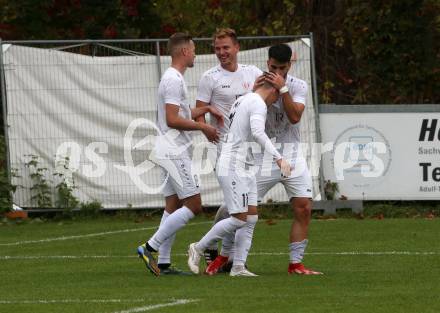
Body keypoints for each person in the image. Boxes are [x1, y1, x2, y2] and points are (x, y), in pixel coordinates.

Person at [208, 43, 323, 275]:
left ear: (290, 64)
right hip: (262, 156)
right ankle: (223, 256)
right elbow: (245, 112)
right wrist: (256, 92)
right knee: (241, 212)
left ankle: (295, 264)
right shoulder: (256, 82)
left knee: (304, 207)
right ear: (267, 62)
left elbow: (294, 117)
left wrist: (283, 90)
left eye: (282, 68)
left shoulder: (298, 85)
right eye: (273, 67)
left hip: (291, 154)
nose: (278, 73)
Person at [137, 33, 223, 276]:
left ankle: (163, 263)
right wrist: (203, 126)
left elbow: (181, 111)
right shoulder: (173, 80)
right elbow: (173, 119)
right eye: (194, 50)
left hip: (168, 149)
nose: (195, 54)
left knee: (173, 206)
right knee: (194, 205)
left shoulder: (173, 78)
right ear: (185, 51)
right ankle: (149, 247)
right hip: (174, 150)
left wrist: (204, 109)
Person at [187, 81, 292, 277]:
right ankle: (198, 248)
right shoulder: (257, 102)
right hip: (234, 165)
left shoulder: (244, 99)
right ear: (273, 90)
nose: (274, 102)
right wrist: (279, 158)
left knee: (250, 217)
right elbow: (258, 132)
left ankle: (238, 267)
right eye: (277, 97)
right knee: (238, 219)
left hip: (244, 165)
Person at [195, 28, 263, 266]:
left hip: (248, 151)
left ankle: (222, 252)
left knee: (235, 206)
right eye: (217, 49)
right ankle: (218, 252)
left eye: (225, 48)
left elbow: (266, 95)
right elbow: (197, 112)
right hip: (225, 149)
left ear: (237, 48)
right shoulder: (209, 77)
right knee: (238, 208)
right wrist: (205, 128)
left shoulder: (252, 73)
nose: (221, 53)